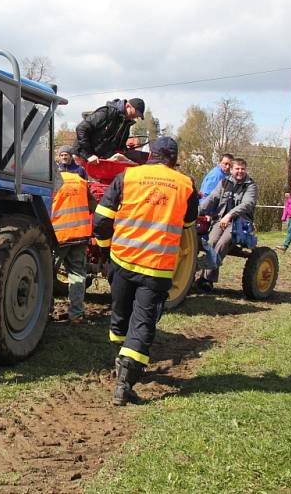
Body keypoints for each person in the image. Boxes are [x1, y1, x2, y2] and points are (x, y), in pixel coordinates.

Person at [93, 136, 198, 406]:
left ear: (150, 154)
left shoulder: (128, 177)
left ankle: (121, 359)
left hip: (122, 260)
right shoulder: (185, 184)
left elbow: (102, 220)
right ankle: (125, 382)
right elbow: (188, 224)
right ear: (174, 158)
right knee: (142, 323)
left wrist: (106, 251)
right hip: (157, 269)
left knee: (120, 316)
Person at [197, 158, 258, 288]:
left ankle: (207, 279)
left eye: (242, 169)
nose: (240, 171)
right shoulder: (224, 182)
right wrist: (196, 211)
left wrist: (230, 215)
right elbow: (212, 198)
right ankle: (202, 275)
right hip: (221, 220)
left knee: (222, 243)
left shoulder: (250, 185)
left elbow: (247, 204)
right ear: (231, 170)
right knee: (210, 243)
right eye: (237, 169)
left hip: (240, 223)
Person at [51, 169, 96, 319]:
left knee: (47, 274)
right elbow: (93, 206)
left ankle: (46, 312)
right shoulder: (81, 182)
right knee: (77, 275)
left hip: (59, 236)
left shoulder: (51, 181)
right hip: (80, 235)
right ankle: (76, 314)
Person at [74, 98, 145, 164]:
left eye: (138, 115)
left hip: (99, 159)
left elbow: (119, 146)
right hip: (83, 157)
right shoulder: (106, 113)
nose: (136, 117)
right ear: (128, 106)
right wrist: (88, 155)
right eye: (135, 113)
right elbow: (81, 128)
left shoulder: (126, 124)